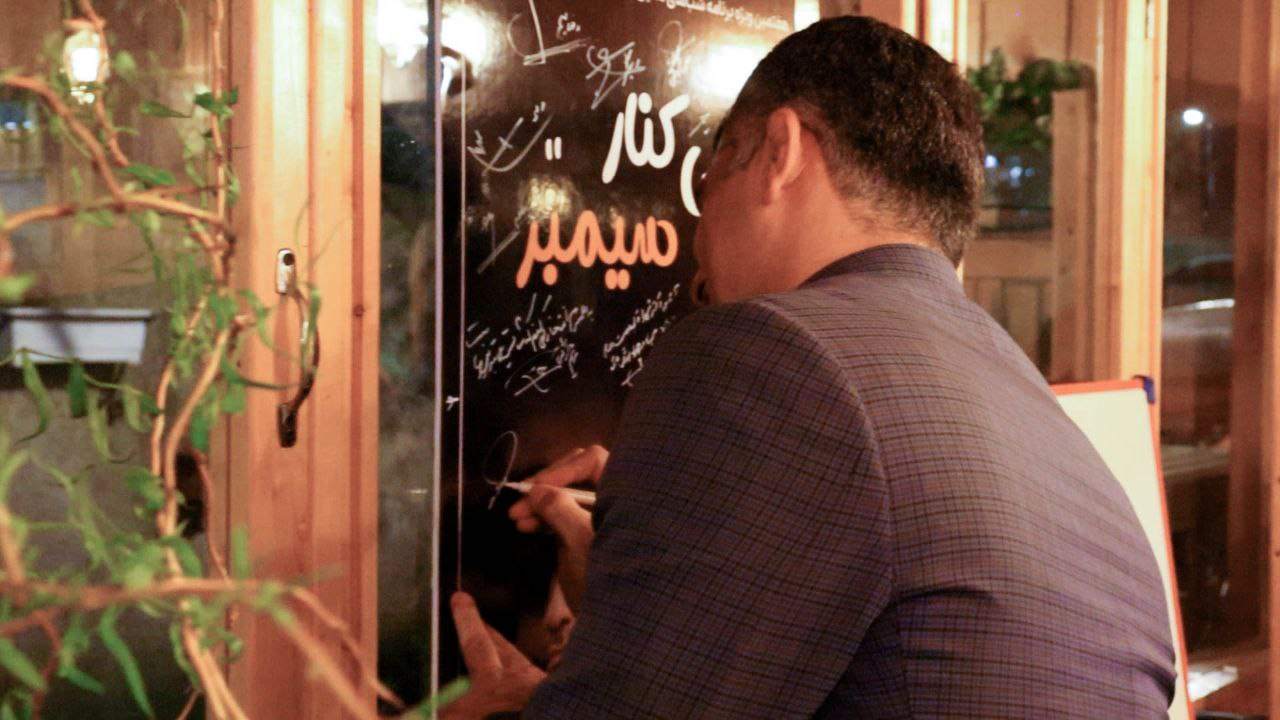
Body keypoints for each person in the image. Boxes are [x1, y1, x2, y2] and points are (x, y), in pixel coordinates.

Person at [443, 16, 1177, 719]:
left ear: (779, 151)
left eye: (708, 181)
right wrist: (648, 568)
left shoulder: (768, 352)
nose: (695, 266)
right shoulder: (1052, 428)